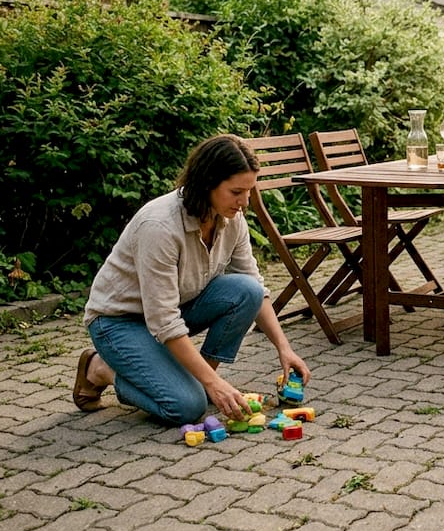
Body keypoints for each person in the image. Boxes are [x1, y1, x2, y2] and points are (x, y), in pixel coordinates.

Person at [72, 134, 310, 425]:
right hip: (119, 322)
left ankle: (199, 379)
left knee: (246, 290)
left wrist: (284, 348)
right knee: (186, 408)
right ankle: (100, 369)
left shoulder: (232, 219)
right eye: (236, 192)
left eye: (249, 191)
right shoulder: (159, 226)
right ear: (207, 183)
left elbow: (255, 285)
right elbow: (164, 321)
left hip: (175, 308)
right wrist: (213, 385)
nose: (244, 202)